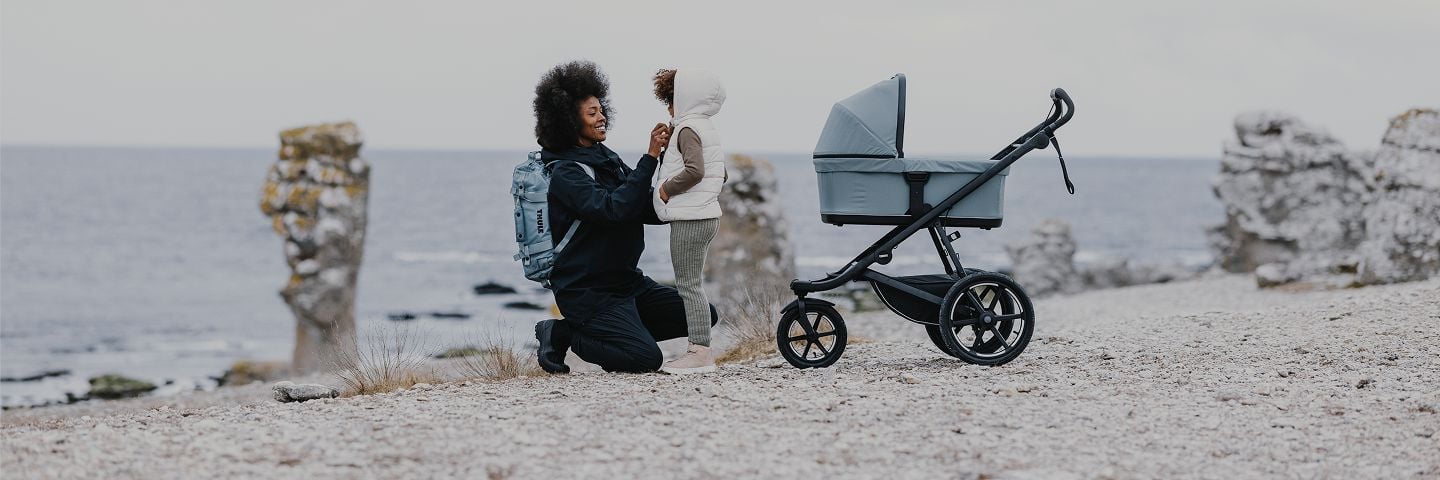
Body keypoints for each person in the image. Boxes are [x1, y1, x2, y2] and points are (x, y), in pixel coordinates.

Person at [531, 60, 718, 374]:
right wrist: (650, 157)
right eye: (591, 113)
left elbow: (640, 205)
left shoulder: (605, 158)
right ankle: (564, 333)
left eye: (601, 109)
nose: (601, 117)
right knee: (645, 359)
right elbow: (613, 210)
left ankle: (624, 331)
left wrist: (684, 188)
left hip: (628, 283)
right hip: (590, 292)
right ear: (568, 121)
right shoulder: (564, 173)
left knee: (703, 315)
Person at [650, 68, 727, 374]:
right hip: (706, 215)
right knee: (693, 284)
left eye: (671, 101)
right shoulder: (704, 127)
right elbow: (720, 174)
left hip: (691, 218)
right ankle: (700, 350)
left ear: (684, 99)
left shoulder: (687, 129)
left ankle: (700, 352)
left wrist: (666, 190)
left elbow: (695, 171)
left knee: (689, 285)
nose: (669, 108)